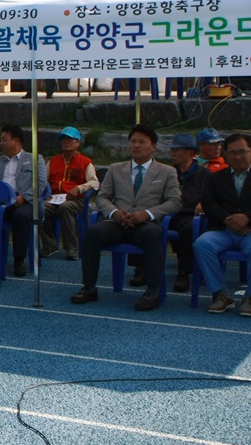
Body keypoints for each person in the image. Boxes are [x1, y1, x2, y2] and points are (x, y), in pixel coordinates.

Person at [71, 124, 182, 311]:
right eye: (133, 141)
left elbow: (175, 202)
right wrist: (115, 213)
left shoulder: (167, 171)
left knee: (151, 237)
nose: (136, 146)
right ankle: (89, 287)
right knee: (92, 233)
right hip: (118, 222)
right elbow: (103, 197)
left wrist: (146, 214)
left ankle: (152, 291)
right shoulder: (116, 169)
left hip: (146, 223)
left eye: (142, 142)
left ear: (153, 146)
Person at [194, 133, 251, 316]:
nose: (238, 157)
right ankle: (221, 294)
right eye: (233, 153)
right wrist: (228, 219)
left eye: (242, 152)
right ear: (226, 154)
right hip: (223, 229)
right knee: (202, 244)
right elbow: (208, 203)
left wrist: (247, 218)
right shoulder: (215, 177)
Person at [0, 124, 49, 277]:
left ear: (16, 140)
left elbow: (40, 184)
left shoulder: (34, 159)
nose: (1, 143)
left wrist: (22, 198)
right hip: (2, 203)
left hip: (26, 203)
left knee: (20, 216)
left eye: (4, 140)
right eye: (0, 140)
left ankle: (19, 259)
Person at [161, 133, 208, 293]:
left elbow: (214, 195)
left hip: (189, 215)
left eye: (177, 150)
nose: (172, 153)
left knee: (189, 229)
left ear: (190, 152)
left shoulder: (205, 175)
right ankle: (142, 268)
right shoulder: (167, 172)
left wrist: (204, 203)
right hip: (167, 212)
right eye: (172, 150)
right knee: (145, 222)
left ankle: (184, 272)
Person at [41, 126, 97, 260]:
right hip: (54, 198)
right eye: (63, 139)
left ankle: (72, 248)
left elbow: (94, 182)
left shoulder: (85, 162)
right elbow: (44, 181)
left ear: (77, 143)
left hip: (75, 199)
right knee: (39, 208)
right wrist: (46, 192)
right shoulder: (53, 161)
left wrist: (79, 189)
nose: (66, 142)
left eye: (70, 139)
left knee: (65, 208)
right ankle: (50, 245)